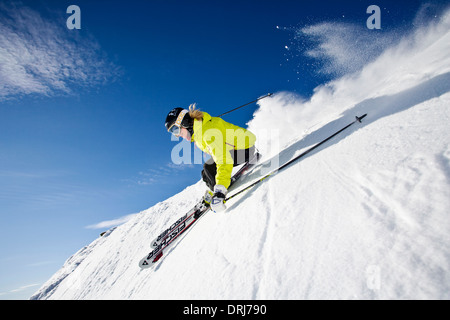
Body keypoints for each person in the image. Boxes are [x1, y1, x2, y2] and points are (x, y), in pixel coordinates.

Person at [165, 104, 257, 212]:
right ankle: (215, 189)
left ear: (184, 122)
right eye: (173, 133)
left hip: (246, 149)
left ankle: (219, 191)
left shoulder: (207, 132)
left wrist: (220, 191)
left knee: (209, 168)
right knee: (205, 174)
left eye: (176, 130)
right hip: (236, 149)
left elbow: (223, 159)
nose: (177, 135)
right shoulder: (200, 132)